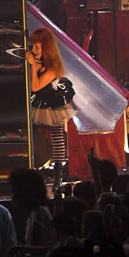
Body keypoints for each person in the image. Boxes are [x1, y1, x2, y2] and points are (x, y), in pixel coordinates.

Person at [27, 25, 77, 171]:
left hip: (54, 103)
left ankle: (59, 172)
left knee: (57, 136)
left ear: (46, 48)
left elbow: (35, 86)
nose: (33, 50)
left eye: (37, 47)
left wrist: (33, 65)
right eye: (32, 47)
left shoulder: (53, 67)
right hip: (40, 101)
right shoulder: (39, 63)